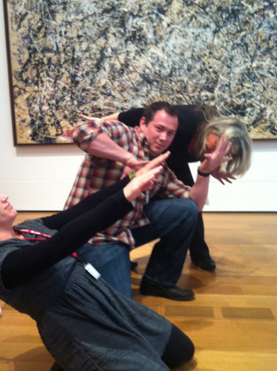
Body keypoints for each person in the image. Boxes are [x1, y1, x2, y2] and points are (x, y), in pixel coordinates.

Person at [0, 155, 195, 371]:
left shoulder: (29, 229)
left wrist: (132, 178)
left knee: (183, 351)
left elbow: (83, 209)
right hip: (83, 332)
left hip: (109, 306)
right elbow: (65, 241)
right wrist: (127, 195)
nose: (3, 197)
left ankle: (119, 368)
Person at [64, 102, 233, 301]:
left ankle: (158, 281)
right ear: (143, 123)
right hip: (90, 236)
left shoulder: (161, 168)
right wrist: (128, 159)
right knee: (118, 305)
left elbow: (195, 205)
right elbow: (83, 131)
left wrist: (204, 172)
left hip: (120, 235)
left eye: (170, 133)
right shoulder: (122, 135)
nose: (163, 138)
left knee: (186, 209)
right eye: (159, 129)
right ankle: (76, 266)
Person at [97, 105, 253, 272]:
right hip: (144, 154)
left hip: (175, 160)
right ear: (213, 131)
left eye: (224, 154)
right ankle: (117, 250)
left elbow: (206, 154)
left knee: (191, 205)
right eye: (217, 147)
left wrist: (212, 168)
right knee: (130, 199)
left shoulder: (209, 138)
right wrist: (101, 121)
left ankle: (199, 253)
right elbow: (136, 115)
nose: (218, 154)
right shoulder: (186, 122)